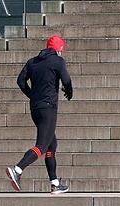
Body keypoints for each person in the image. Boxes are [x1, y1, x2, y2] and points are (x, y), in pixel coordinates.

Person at [5, 35, 73, 194]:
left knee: (51, 144)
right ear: (58, 50)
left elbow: (20, 81)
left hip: (35, 109)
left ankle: (55, 183)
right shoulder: (58, 61)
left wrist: (32, 95)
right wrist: (69, 91)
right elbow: (66, 80)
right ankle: (17, 169)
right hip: (48, 108)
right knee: (41, 146)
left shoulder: (32, 62)